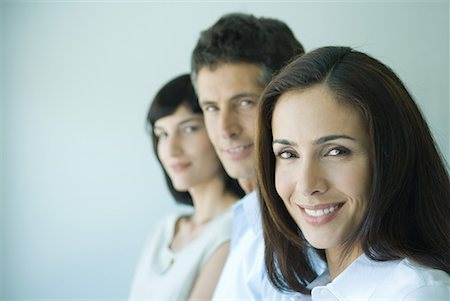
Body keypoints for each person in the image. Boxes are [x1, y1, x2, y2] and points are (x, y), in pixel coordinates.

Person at [256, 46, 450, 300]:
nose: (307, 184)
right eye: (288, 154)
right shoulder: (318, 290)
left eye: (336, 152)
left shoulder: (415, 293)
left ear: (391, 157)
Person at [191, 13, 307, 299]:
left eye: (244, 102)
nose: (224, 129)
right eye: (211, 108)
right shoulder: (246, 217)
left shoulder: (308, 235)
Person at [129, 74, 245, 300]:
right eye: (162, 134)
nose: (171, 149)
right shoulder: (164, 229)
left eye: (189, 129)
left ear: (216, 132)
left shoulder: (235, 228)